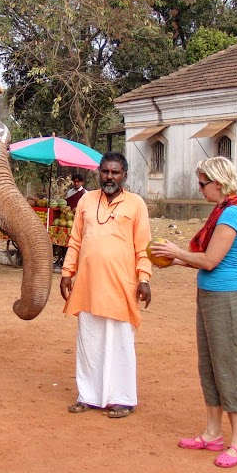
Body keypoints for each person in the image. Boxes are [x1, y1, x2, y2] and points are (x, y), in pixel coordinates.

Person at [149, 156, 237, 468]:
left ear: (218, 184)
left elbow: (209, 260)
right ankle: (212, 432)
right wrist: (174, 259)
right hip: (209, 295)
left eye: (203, 183)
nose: (200, 189)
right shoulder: (220, 212)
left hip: (227, 298)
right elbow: (202, 258)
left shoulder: (232, 214)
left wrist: (177, 252)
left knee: (228, 365)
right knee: (208, 364)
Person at [60, 152, 152, 418]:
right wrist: (67, 272)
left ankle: (123, 398)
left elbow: (142, 246)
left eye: (115, 173)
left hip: (122, 285)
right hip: (88, 285)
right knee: (90, 340)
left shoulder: (136, 204)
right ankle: (88, 395)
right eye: (105, 172)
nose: (109, 177)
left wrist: (143, 278)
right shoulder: (87, 201)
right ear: (98, 172)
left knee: (120, 341)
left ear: (124, 175)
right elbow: (75, 240)